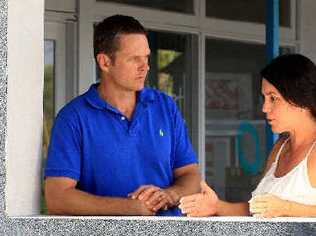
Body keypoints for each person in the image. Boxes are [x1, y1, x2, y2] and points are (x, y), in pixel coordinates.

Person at [44, 15, 200, 216]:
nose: (145, 67)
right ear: (105, 62)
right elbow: (57, 198)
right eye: (134, 59)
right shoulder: (73, 118)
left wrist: (169, 195)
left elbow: (191, 175)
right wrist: (131, 208)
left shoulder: (165, 107)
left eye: (146, 58)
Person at [179, 54, 316, 218]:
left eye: (273, 98)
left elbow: (280, 209)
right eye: (264, 98)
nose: (265, 107)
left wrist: (287, 208)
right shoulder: (280, 147)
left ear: (300, 99)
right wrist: (216, 207)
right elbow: (256, 210)